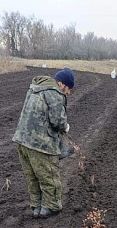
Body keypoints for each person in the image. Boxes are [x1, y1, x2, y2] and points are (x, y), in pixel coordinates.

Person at [12, 67, 75, 219]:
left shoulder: (35, 88)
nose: (69, 92)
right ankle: (50, 207)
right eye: (69, 88)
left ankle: (37, 207)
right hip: (40, 144)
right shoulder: (54, 93)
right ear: (61, 84)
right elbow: (57, 121)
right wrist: (65, 126)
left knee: (32, 176)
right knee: (49, 176)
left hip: (22, 140)